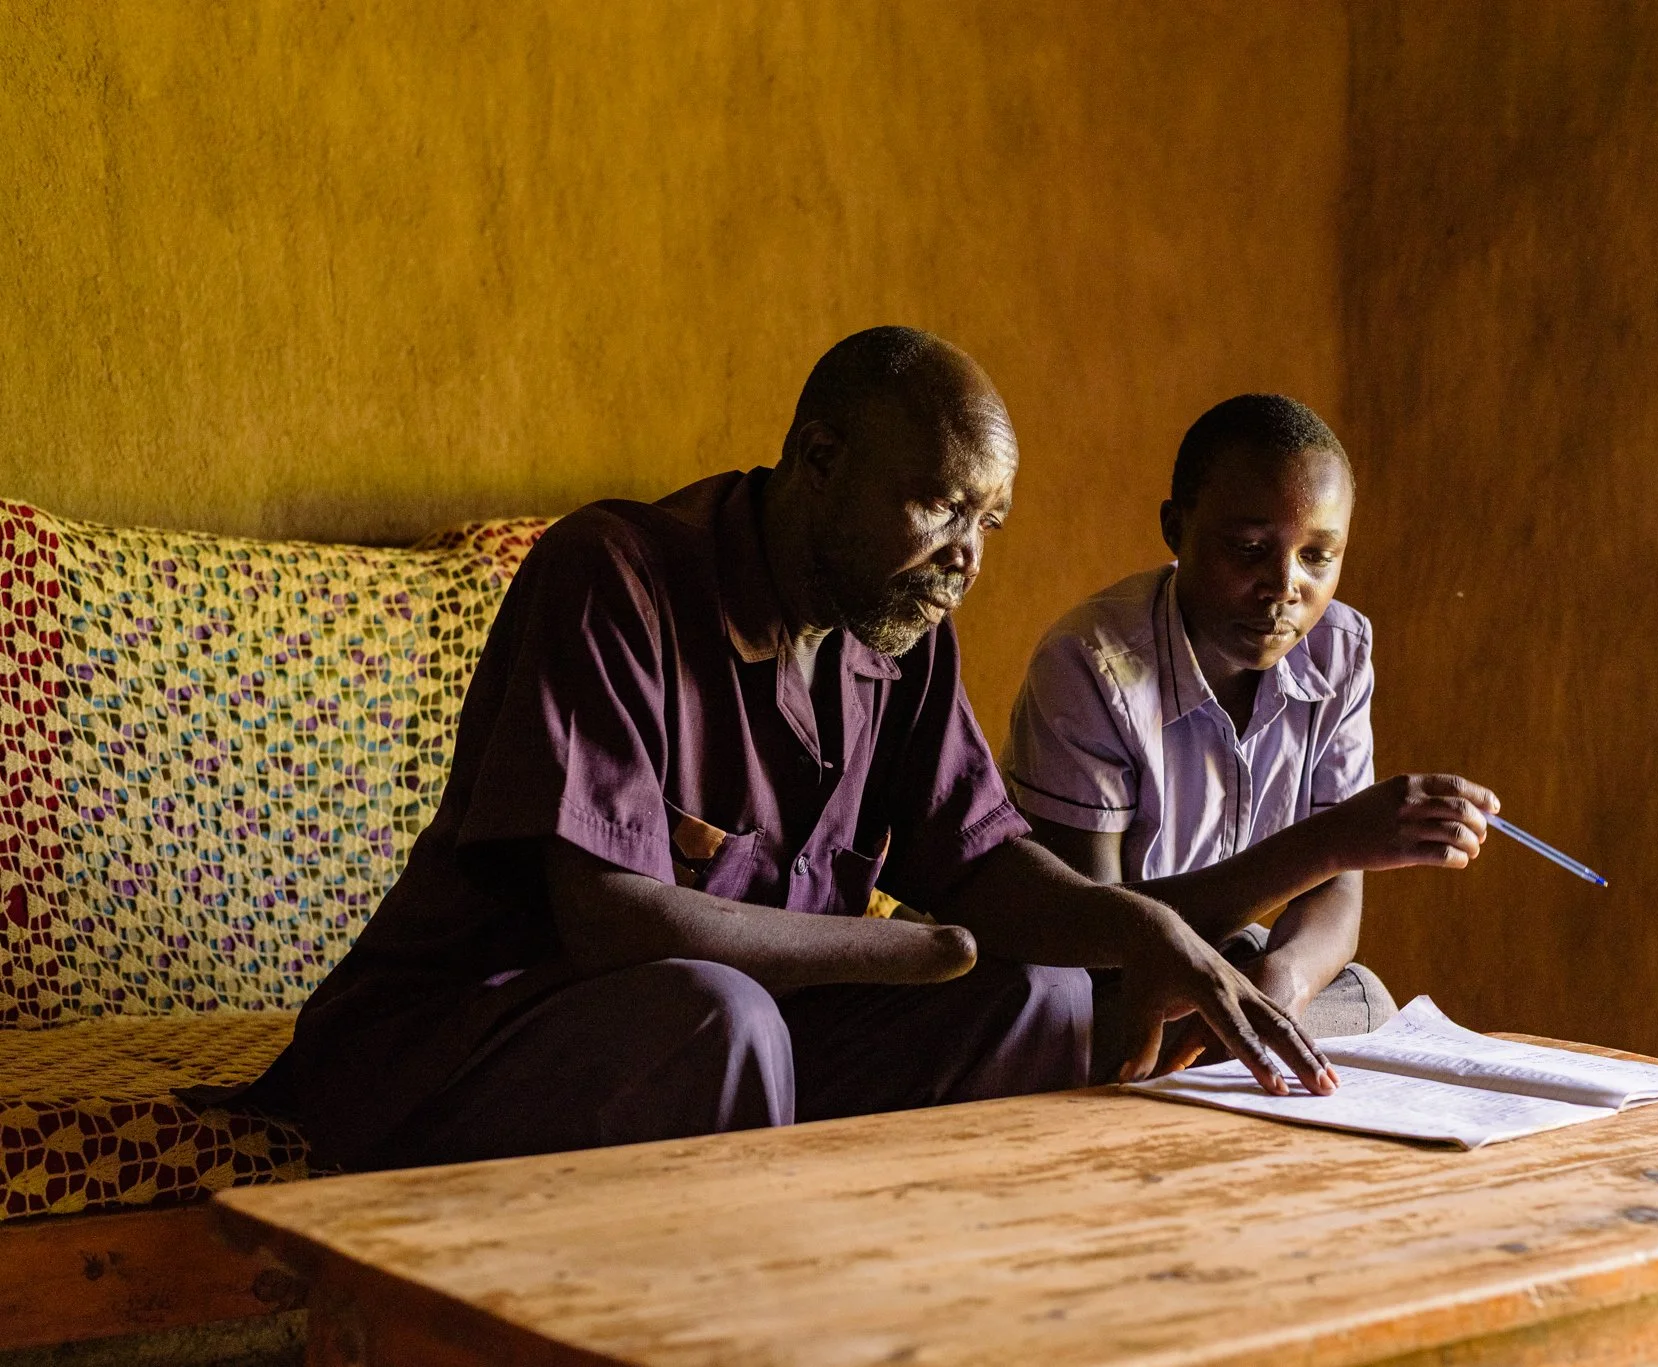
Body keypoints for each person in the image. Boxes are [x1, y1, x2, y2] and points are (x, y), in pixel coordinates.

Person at [258, 330, 1339, 1172]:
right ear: (818, 459)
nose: (965, 557)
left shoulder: (897, 630)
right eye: (938, 505)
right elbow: (611, 916)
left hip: (741, 1043)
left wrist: (1137, 927)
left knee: (1041, 996)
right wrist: (918, 949)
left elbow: (976, 862)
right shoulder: (615, 576)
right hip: (464, 1043)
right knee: (713, 1021)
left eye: (989, 521)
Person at [1005, 394, 1498, 1081]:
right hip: (1105, 984)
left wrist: (1280, 986)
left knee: (1366, 1001)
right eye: (1249, 549)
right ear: (1176, 529)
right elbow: (1093, 934)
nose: (1284, 586)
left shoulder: (1339, 651)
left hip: (1234, 956)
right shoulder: (1091, 664)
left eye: (1318, 556)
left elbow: (1336, 898)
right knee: (1086, 1030)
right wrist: (1330, 840)